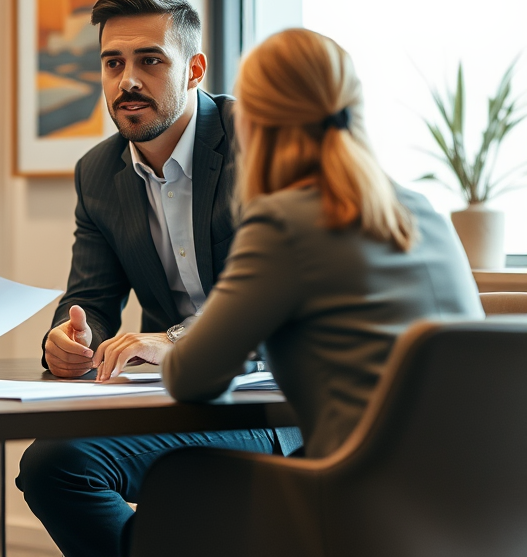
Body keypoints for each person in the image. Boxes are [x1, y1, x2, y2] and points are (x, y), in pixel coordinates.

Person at [16, 0, 297, 557]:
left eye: (150, 60)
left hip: (278, 400)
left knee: (64, 465)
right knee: (52, 464)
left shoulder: (261, 144)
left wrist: (177, 341)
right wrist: (68, 339)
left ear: (194, 68)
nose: (128, 81)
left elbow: (282, 303)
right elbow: (89, 298)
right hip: (174, 400)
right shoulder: (98, 173)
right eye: (113, 63)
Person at [162, 27, 483, 461]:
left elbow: (190, 378)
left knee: (177, 484)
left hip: (361, 497)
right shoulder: (423, 211)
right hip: (482, 501)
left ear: (252, 121)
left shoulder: (284, 221)